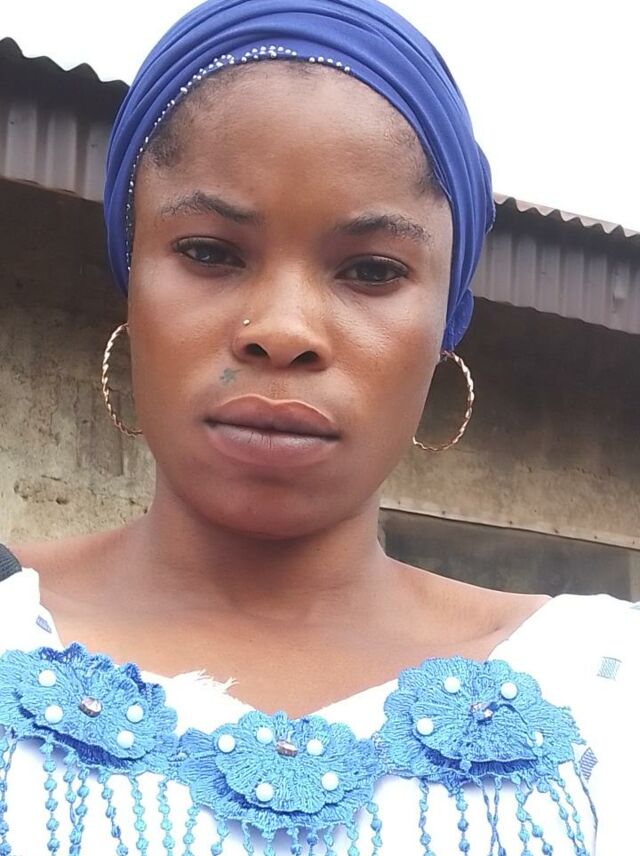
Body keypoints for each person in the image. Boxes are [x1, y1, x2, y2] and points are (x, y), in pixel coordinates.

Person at [0, 0, 637, 853]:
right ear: (130, 280)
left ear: (445, 322)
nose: (283, 330)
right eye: (209, 252)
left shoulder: (603, 690)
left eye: (371, 270)